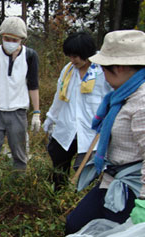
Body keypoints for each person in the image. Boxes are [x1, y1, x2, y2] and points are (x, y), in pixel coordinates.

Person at [50, 30, 145, 237]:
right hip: (112, 179)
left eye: (105, 68)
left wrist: (142, 204)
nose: (101, 72)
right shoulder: (122, 94)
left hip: (134, 186)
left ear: (121, 67)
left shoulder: (141, 103)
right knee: (76, 223)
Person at [43, 32, 112, 192]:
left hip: (90, 132)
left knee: (86, 172)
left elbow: (113, 99)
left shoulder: (103, 72)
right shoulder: (68, 71)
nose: (72, 60)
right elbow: (58, 96)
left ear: (87, 54)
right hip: (66, 129)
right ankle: (58, 198)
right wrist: (50, 118)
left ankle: (79, 201)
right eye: (70, 56)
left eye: (76, 57)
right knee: (59, 165)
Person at [0, 16, 40, 178]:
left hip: (18, 111)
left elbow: (33, 85)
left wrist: (36, 113)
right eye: (6, 38)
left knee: (19, 155)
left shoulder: (30, 56)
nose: (10, 42)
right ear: (1, 37)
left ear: (21, 40)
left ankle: (17, 187)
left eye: (14, 39)